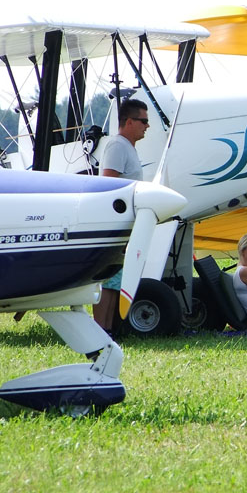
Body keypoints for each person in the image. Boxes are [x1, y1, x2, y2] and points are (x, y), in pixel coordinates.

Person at [93, 98, 149, 333]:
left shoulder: (129, 148)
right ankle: (100, 329)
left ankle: (110, 329)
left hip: (126, 223)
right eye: (144, 121)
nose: (147, 126)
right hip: (114, 222)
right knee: (108, 280)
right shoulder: (117, 146)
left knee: (117, 278)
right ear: (129, 121)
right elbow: (108, 182)